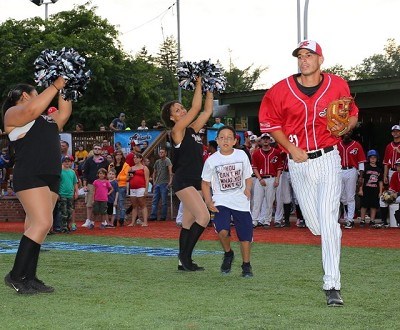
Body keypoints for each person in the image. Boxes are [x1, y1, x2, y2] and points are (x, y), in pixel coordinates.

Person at [258, 40, 359, 306]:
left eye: (309, 55)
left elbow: (352, 115)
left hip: (328, 158)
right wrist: (290, 148)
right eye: (300, 56)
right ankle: (328, 232)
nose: (304, 60)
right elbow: (270, 124)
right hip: (299, 162)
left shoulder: (337, 84)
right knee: (317, 225)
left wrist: (346, 126)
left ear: (320, 59)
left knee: (328, 223)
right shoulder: (281, 90)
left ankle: (332, 285)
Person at [2, 76, 70, 294]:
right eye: (36, 93)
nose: (41, 95)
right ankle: (15, 275)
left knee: (37, 226)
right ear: (25, 96)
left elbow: (65, 113)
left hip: (51, 176)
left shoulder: (47, 120)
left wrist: (68, 87)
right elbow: (31, 110)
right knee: (42, 223)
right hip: (30, 175)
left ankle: (29, 277)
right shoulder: (12, 114)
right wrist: (54, 85)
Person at [161, 77, 213, 271]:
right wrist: (199, 82)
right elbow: (196, 107)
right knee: (204, 217)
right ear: (172, 118)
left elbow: (206, 110)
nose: (182, 111)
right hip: (184, 181)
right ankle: (185, 257)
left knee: (188, 222)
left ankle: (183, 262)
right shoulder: (177, 130)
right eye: (177, 110)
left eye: (182, 107)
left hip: (196, 181)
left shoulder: (192, 130)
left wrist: (210, 88)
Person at [201, 126, 254, 277]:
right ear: (217, 140)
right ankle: (228, 253)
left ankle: (246, 265)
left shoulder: (242, 155)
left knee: (245, 235)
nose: (226, 140)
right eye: (222, 137)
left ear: (235, 141)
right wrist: (208, 201)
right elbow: (205, 183)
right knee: (223, 230)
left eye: (229, 137)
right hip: (221, 200)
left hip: (241, 201)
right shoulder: (211, 160)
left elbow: (248, 177)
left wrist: (248, 188)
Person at [250, 133, 282, 228]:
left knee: (270, 201)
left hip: (272, 178)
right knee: (257, 201)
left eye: (267, 139)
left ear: (269, 140)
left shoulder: (276, 152)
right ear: (261, 141)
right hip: (260, 179)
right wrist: (259, 179)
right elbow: (254, 168)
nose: (265, 140)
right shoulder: (256, 153)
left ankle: (267, 221)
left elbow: (279, 167)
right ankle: (254, 220)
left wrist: (277, 179)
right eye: (264, 139)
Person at [337, 131, 366, 229]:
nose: (346, 134)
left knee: (350, 197)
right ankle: (346, 217)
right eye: (345, 132)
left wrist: (361, 176)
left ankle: (350, 220)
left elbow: (361, 162)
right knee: (342, 197)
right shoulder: (337, 144)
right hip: (339, 171)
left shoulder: (356, 145)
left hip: (352, 170)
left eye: (348, 132)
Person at [81, 143, 109, 228]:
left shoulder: (105, 161)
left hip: (102, 185)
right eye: (95, 148)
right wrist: (84, 185)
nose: (97, 150)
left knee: (103, 204)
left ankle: (104, 222)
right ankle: (88, 220)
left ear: (101, 150)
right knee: (89, 203)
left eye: (99, 148)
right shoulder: (89, 160)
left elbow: (108, 173)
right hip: (91, 184)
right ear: (93, 150)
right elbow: (84, 173)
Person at [358, 150, 383, 227]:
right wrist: (360, 189)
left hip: (375, 190)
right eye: (371, 158)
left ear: (377, 159)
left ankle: (372, 220)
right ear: (368, 158)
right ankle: (362, 219)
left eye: (374, 158)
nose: (373, 159)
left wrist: (380, 191)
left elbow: (380, 181)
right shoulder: (366, 167)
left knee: (374, 205)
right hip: (366, 189)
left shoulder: (379, 169)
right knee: (364, 205)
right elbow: (363, 179)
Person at [126, 153, 150, 227]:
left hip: (141, 187)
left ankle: (145, 222)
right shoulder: (131, 168)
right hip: (132, 188)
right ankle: (133, 222)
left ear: (140, 159)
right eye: (134, 158)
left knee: (142, 204)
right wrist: (130, 177)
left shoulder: (144, 168)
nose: (135, 159)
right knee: (134, 205)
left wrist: (146, 190)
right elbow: (127, 179)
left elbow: (147, 179)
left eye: (136, 158)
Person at [149, 148, 173, 221]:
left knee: (164, 201)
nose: (161, 153)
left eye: (162, 152)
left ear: (165, 153)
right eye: (160, 152)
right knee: (155, 200)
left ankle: (163, 216)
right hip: (157, 183)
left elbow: (170, 171)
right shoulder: (157, 161)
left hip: (164, 182)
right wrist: (154, 181)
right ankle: (153, 216)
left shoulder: (167, 160)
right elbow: (154, 172)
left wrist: (170, 182)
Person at [58, 156, 78, 233]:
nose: (67, 163)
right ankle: (63, 228)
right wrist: (57, 193)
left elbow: (75, 183)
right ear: (62, 162)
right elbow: (58, 183)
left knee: (69, 212)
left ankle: (68, 226)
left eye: (68, 161)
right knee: (63, 212)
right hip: (62, 194)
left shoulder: (72, 172)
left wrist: (76, 192)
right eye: (65, 161)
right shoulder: (60, 171)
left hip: (70, 195)